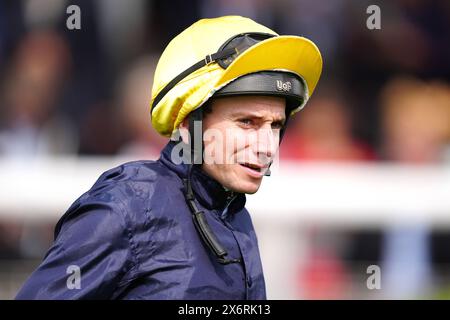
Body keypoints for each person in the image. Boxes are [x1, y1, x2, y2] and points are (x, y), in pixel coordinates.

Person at [16, 15, 322, 299]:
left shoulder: (238, 218)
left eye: (275, 125)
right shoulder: (125, 207)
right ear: (190, 122)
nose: (267, 146)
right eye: (247, 122)